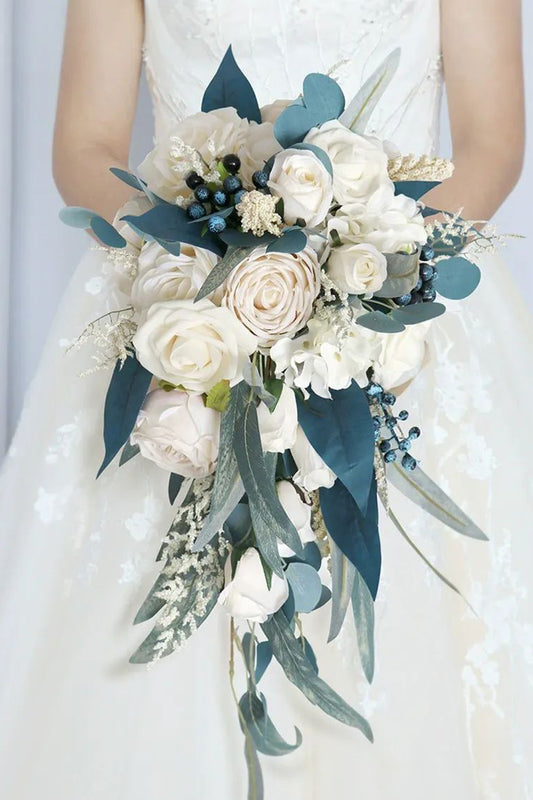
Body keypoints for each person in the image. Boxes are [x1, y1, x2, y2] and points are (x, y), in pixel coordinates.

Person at [0, 0, 532, 798]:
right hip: (181, 299)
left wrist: (362, 275)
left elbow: (491, 143)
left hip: (400, 297)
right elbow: (85, 145)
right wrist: (205, 273)